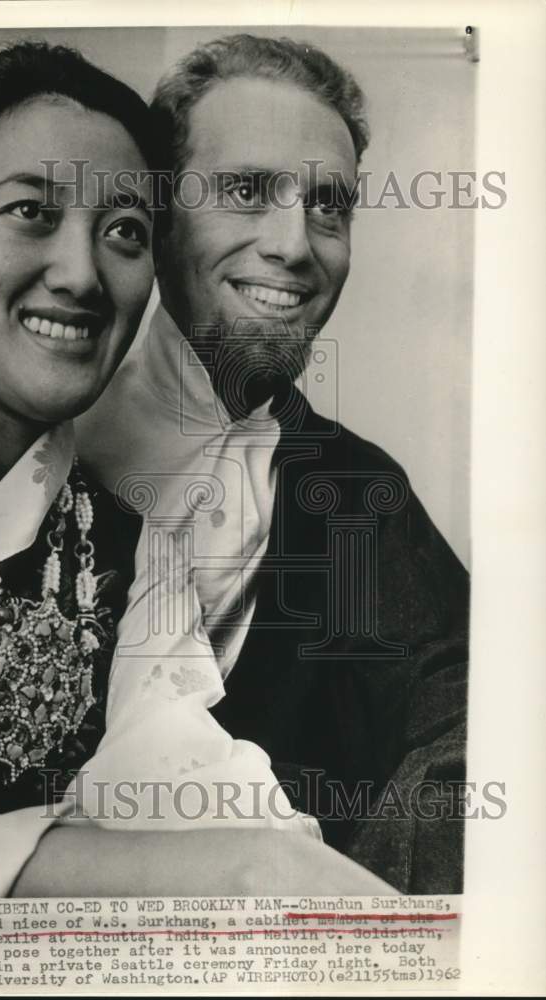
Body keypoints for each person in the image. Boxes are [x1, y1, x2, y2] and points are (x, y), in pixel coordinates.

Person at [0, 40, 393, 900]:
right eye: (32, 211)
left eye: (123, 233)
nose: (79, 275)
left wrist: (290, 868)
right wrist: (241, 871)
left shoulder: (129, 548)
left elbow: (181, 776)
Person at [76, 33, 470, 894]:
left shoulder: (358, 493)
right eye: (247, 191)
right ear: (156, 211)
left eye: (328, 206)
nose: (294, 244)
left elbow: (480, 712)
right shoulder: (28, 432)